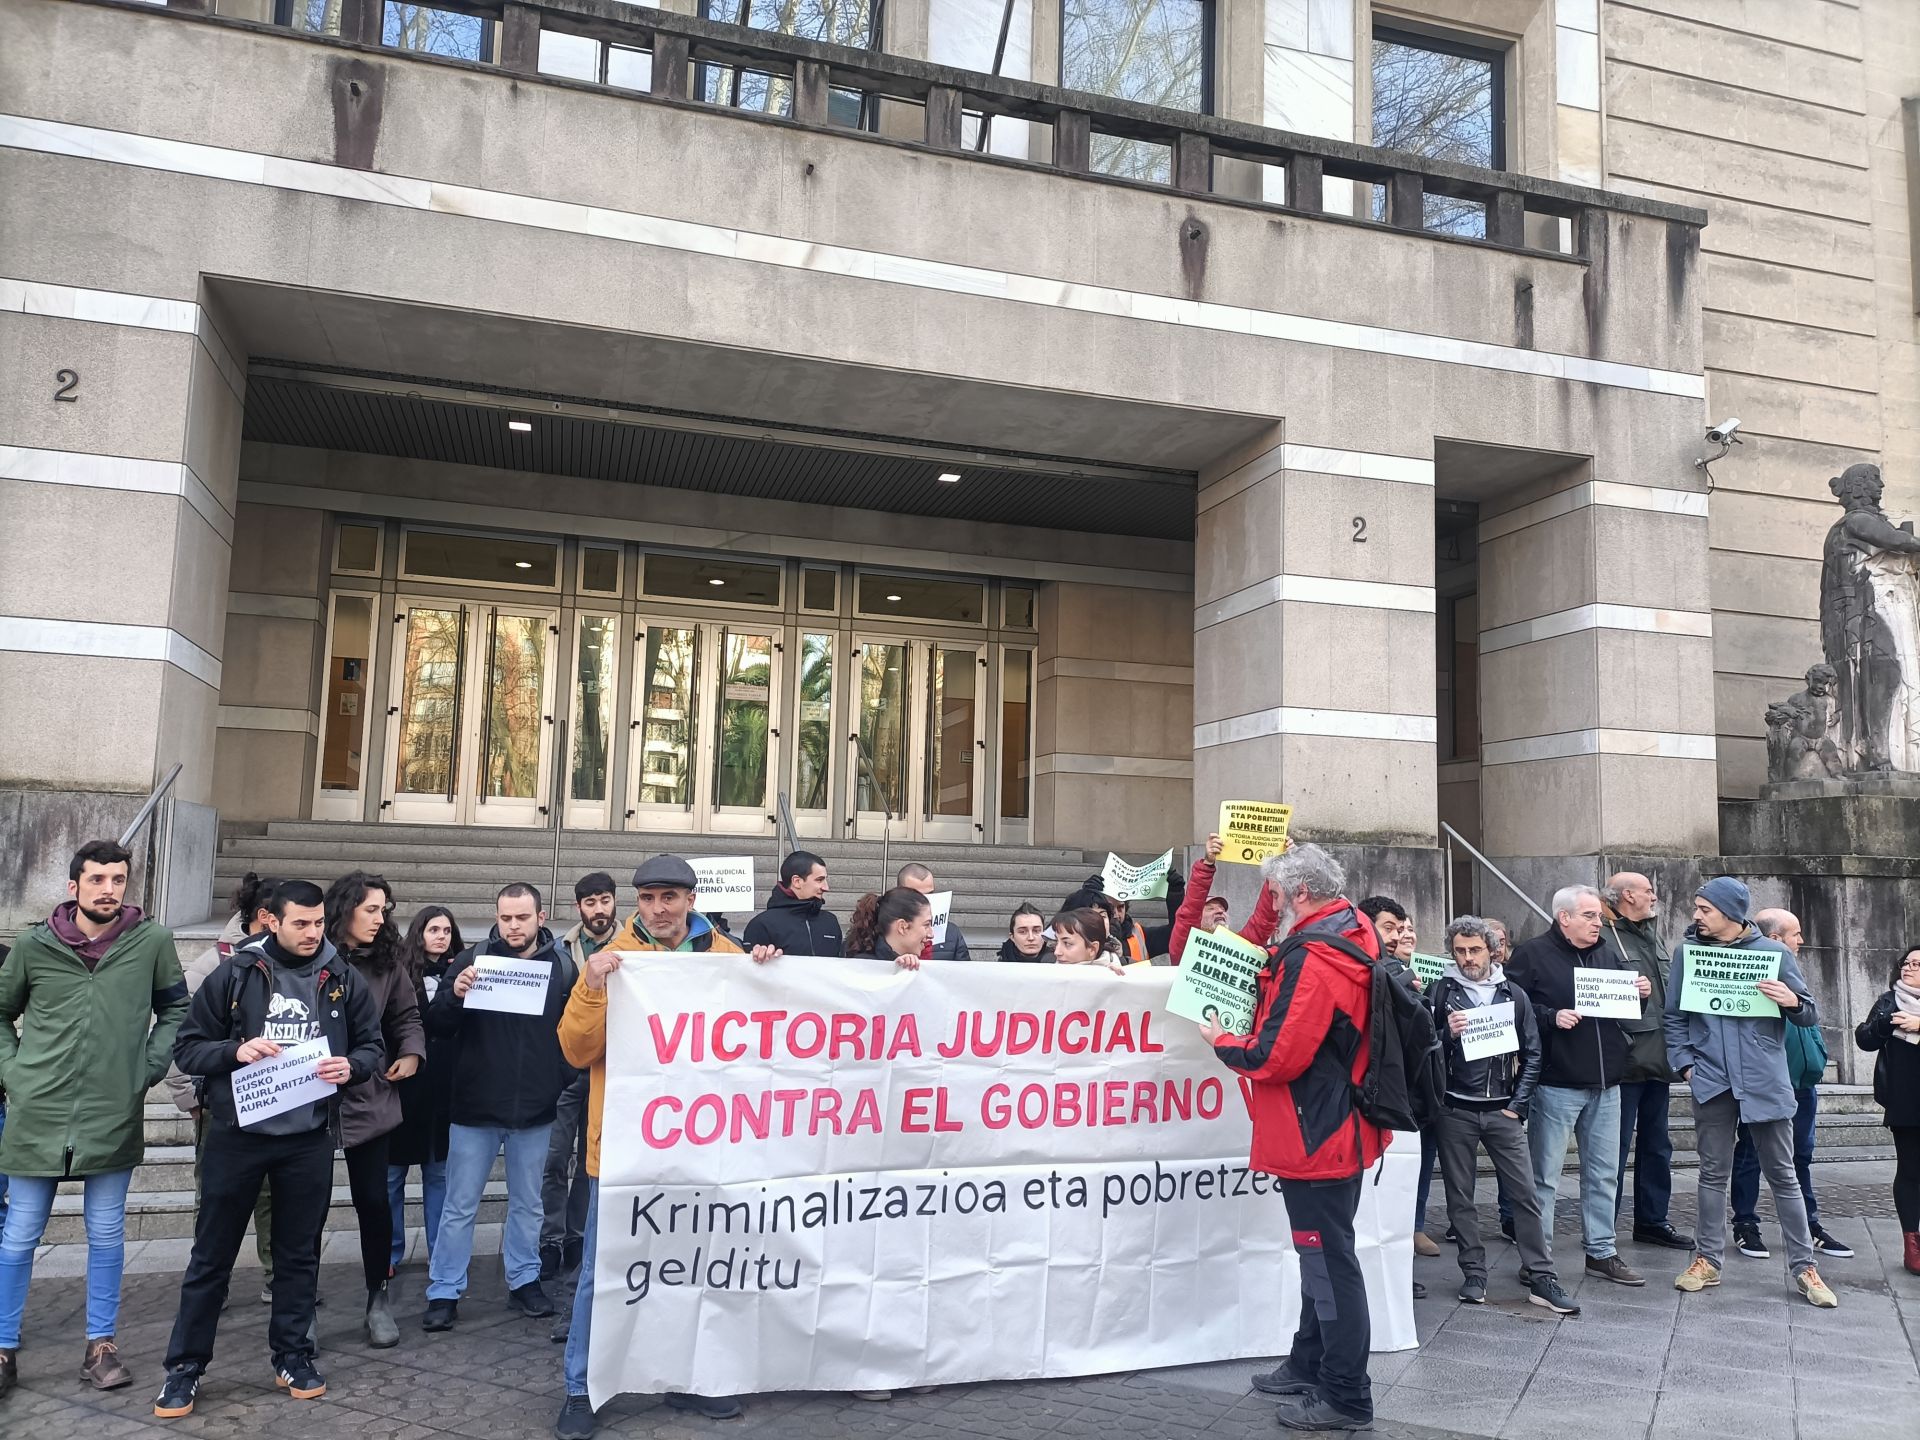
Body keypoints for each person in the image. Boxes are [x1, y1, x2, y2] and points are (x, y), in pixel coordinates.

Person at [553, 854, 782, 1437]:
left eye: (669, 898)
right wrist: (593, 986)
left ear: (691, 899)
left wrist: (768, 971)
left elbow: (767, 1038)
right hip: (624, 1151)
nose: (658, 909)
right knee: (603, 1274)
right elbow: (576, 1050)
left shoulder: (727, 957)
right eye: (648, 898)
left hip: (701, 1149)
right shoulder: (614, 960)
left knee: (692, 1269)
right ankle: (581, 1388)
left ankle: (685, 1378)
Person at [153, 880, 385, 1418]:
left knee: (299, 1254)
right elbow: (187, 1047)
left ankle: (292, 1355)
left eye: (318, 923)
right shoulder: (234, 972)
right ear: (270, 920)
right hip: (237, 1136)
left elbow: (372, 1045)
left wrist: (352, 1067)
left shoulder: (340, 976)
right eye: (299, 923)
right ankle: (184, 1368)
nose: (312, 933)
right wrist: (236, 1051)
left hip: (306, 1139)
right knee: (211, 1256)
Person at [1203, 844, 1383, 1433]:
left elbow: (1275, 1055)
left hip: (1317, 1133)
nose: (1272, 905)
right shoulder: (1351, 927)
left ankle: (1347, 1396)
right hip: (1341, 1125)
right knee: (1323, 1257)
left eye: (1277, 894)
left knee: (1329, 1265)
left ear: (1300, 894)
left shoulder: (1315, 957)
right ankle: (1310, 1362)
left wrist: (1222, 1042)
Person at [0, 840, 188, 1400]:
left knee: (105, 1235)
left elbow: (177, 1008)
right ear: (73, 887)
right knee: (18, 1236)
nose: (109, 888)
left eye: (119, 879)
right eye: (99, 879)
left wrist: (147, 1068)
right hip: (38, 1111)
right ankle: (4, 1346)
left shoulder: (152, 941)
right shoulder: (33, 946)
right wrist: (14, 1074)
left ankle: (100, 1346)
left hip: (113, 1109)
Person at [1666, 877, 1836, 1308]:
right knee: (1711, 1173)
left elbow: (1810, 1013)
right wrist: (1686, 1066)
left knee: (1783, 1174)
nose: (1697, 915)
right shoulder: (1688, 955)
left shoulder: (1775, 954)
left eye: (1705, 909)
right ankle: (1707, 1260)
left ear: (1731, 912)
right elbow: (1674, 1018)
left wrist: (1791, 1001)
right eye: (1697, 908)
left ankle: (1805, 1267)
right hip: (1712, 1081)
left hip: (1763, 1080)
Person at [422, 884, 577, 1332]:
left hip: (535, 1109)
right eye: (506, 918)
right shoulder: (471, 961)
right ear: (496, 917)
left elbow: (568, 1033)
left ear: (540, 918)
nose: (513, 926)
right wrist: (454, 995)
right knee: (459, 1205)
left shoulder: (561, 967)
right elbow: (437, 1026)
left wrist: (557, 1080)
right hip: (474, 1108)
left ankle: (524, 1280)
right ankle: (445, 1290)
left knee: (529, 1204)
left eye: (522, 918)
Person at [1505, 885, 1650, 1288]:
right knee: (1544, 1176)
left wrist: (1640, 994)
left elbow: (1625, 1009)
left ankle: (1601, 1252)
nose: (1597, 922)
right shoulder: (1532, 954)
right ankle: (1538, 1256)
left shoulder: (1607, 952)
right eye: (1589, 916)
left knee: (1604, 1173)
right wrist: (1551, 1016)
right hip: (1556, 1082)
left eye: (1599, 917)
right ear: (1564, 917)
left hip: (1607, 1082)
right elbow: (1510, 1006)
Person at [1427, 917, 1574, 1314]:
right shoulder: (1441, 991)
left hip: (1501, 1110)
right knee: (1460, 1197)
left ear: (1492, 949)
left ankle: (1541, 1275)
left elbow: (1532, 1053)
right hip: (1455, 1108)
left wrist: (1517, 1105)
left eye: (1474, 950)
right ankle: (1473, 1272)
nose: (1467, 958)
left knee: (1524, 1195)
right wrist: (1445, 1036)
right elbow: (1421, 1050)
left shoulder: (1514, 994)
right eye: (1459, 950)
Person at [168, 874, 281, 1305]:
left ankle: (277, 1275)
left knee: (275, 1197)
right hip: (222, 1104)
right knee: (216, 1197)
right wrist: (188, 1098)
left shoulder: (293, 962)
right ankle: (210, 1280)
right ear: (268, 917)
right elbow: (183, 1034)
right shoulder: (214, 962)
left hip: (276, 1101)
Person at [323, 872, 423, 1349]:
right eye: (371, 909)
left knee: (374, 1202)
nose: (381, 918)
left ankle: (377, 1298)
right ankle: (297, 1304)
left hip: (370, 1097)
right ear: (345, 909)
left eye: (384, 909)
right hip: (309, 1102)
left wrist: (410, 1052)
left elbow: (406, 1015)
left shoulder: (388, 961)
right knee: (306, 1206)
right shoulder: (312, 954)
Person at [1732, 908, 1850, 1259]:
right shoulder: (1751, 970)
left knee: (1801, 1156)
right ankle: (1745, 1224)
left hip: (1802, 1083)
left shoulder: (1792, 968)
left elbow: (1808, 1017)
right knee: (1751, 1153)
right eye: (1795, 933)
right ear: (1774, 939)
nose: (1802, 940)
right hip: (1767, 1083)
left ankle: (1808, 1225)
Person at [1601, 872, 1694, 1251]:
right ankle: (1602, 1226)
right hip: (1625, 1063)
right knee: (1614, 1149)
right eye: (1649, 891)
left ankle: (1652, 1220)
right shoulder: (1605, 937)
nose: (1655, 896)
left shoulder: (1651, 934)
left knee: (1658, 1146)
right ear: (1627, 895)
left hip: (1660, 1059)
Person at [543, 875, 616, 1283]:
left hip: (610, 1073)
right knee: (554, 1160)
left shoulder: (633, 948)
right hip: (565, 1071)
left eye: (605, 900)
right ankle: (551, 1239)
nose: (599, 909)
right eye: (591, 902)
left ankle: (578, 1235)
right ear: (579, 908)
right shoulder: (559, 950)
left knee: (595, 1163)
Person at [1359, 896, 1438, 1271]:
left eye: (1402, 928)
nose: (1396, 936)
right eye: (1389, 927)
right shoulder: (1369, 970)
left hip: (1405, 1094)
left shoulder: (1401, 972)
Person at [386, 906, 462, 1273]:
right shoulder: (397, 973)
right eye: (434, 929)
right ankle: (388, 1252)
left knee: (439, 1176)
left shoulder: (461, 972)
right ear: (419, 933)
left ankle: (440, 1252)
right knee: (391, 1176)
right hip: (403, 1088)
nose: (441, 936)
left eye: (447, 930)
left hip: (444, 1090)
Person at [1856, 944, 1920, 1275]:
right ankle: (1913, 1247)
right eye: (1906, 963)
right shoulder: (1889, 1000)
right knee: (1910, 1172)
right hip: (1907, 1101)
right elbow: (1864, 1039)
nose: (1908, 968)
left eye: (1917, 964)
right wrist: (1885, 1023)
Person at [1169, 832, 1286, 964]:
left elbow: (1262, 923)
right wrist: (1207, 864)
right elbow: (1189, 913)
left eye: (1222, 909)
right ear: (1198, 921)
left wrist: (1278, 868)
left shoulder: (1238, 948)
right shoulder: (1186, 947)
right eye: (1210, 908)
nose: (1219, 911)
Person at [742, 851, 844, 956]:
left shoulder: (830, 921)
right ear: (796, 881)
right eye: (819, 880)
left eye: (825, 880)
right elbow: (750, 970)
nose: (826, 887)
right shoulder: (762, 924)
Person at [844, 888, 935, 969]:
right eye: (926, 925)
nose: (931, 934)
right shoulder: (863, 967)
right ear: (902, 927)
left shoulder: (916, 963)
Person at [896, 864, 970, 961]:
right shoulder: (887, 929)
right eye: (917, 895)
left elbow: (964, 972)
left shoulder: (951, 932)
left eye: (930, 894)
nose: (925, 901)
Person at [1050, 908, 1126, 973]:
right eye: (1056, 942)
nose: (1057, 952)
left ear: (1092, 949)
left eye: (1067, 943)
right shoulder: (1048, 975)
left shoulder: (1117, 976)